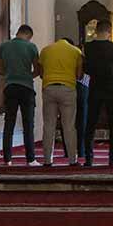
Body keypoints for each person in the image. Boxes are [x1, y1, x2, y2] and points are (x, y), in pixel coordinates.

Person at [0, 24, 41, 166]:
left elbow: (1, 70)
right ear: (29, 35)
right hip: (26, 88)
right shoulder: (31, 47)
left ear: (18, 33)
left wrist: (12, 74)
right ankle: (31, 159)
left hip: (10, 87)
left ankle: (7, 159)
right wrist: (28, 75)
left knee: (9, 123)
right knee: (28, 124)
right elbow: (38, 69)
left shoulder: (4, 46)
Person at [83, 19, 113, 167]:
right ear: (109, 32)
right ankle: (112, 159)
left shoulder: (87, 47)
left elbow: (85, 68)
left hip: (94, 87)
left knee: (91, 123)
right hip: (111, 88)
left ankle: (89, 159)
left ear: (96, 31)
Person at [38, 36, 84, 166]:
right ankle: (72, 160)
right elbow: (79, 75)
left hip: (49, 88)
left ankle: (47, 160)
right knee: (69, 126)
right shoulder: (76, 52)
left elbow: (41, 73)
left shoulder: (45, 50)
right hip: (68, 89)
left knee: (48, 126)